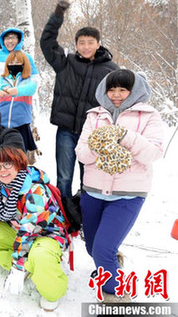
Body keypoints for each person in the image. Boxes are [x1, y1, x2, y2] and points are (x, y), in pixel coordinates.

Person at [75, 69, 163, 302]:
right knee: (92, 248)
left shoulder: (149, 115)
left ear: (134, 91)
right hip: (93, 191)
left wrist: (124, 136)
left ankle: (117, 296)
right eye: (111, 89)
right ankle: (112, 263)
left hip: (128, 195)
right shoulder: (94, 115)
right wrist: (100, 143)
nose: (116, 94)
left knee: (103, 250)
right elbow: (82, 154)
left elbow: (152, 153)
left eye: (122, 90)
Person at [40, 0, 119, 198]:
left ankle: (84, 216)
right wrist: (57, 15)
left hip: (92, 135)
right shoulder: (66, 62)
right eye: (81, 42)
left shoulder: (111, 70)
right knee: (64, 177)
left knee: (89, 179)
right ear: (76, 45)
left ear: (98, 44)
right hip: (66, 131)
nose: (85, 46)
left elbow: (118, 100)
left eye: (90, 42)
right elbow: (47, 42)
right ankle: (65, 218)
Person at [0, 146, 68, 311]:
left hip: (46, 235)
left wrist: (18, 265)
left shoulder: (35, 189)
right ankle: (27, 267)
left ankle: (52, 291)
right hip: (20, 233)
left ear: (18, 164)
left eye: (7, 164)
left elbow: (29, 230)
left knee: (40, 255)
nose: (2, 170)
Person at [0, 51, 38, 152]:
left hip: (21, 126)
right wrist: (2, 89)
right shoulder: (3, 79)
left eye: (17, 63)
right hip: (2, 126)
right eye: (11, 63)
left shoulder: (29, 79)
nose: (14, 65)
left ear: (24, 64)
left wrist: (17, 91)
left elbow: (31, 88)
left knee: (19, 158)